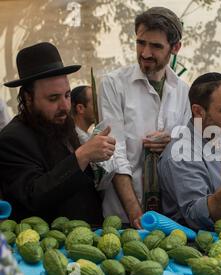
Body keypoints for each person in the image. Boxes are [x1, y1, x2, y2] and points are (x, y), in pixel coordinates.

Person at [0, 42, 115, 224]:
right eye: (53, 98)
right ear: (28, 98)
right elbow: (34, 196)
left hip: (88, 239)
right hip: (48, 246)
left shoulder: (61, 124)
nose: (65, 106)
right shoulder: (12, 139)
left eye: (67, 95)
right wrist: (83, 155)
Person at [99, 7, 191, 227]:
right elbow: (114, 152)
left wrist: (173, 142)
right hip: (122, 217)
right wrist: (135, 214)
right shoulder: (114, 84)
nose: (146, 53)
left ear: (175, 48)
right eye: (141, 43)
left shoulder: (183, 91)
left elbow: (190, 148)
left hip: (170, 218)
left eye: (156, 46)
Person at [158, 72, 221, 230]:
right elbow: (196, 217)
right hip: (192, 247)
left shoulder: (219, 140)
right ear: (198, 111)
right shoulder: (181, 153)